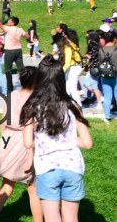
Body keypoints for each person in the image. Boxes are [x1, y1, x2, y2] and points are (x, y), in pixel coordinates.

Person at [21, 55, 92, 222]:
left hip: (47, 167)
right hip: (73, 165)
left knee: (52, 218)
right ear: (61, 78)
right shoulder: (73, 105)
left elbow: (27, 142)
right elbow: (87, 143)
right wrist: (68, 142)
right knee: (71, 218)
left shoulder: (32, 106)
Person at [0, 67, 42, 222]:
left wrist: (3, 141)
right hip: (26, 140)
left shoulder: (11, 95)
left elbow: (3, 121)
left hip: (8, 138)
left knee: (7, 183)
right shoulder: (35, 100)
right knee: (32, 187)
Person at [0, 8, 27, 94]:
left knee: (8, 70)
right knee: (21, 70)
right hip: (18, 50)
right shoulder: (20, 29)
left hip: (9, 51)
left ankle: (9, 90)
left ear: (12, 23)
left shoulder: (9, 29)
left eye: (9, 20)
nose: (8, 21)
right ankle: (25, 86)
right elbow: (27, 36)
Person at [57, 29, 82, 104]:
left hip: (73, 68)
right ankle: (67, 104)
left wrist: (59, 73)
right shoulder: (72, 44)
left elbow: (67, 63)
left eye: (64, 34)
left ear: (67, 36)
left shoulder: (68, 47)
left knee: (72, 88)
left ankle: (78, 105)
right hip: (74, 67)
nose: (62, 35)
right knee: (67, 88)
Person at [96, 31, 117, 122]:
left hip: (104, 75)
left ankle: (107, 116)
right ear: (114, 39)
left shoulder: (101, 49)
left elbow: (100, 62)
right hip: (116, 74)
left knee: (107, 96)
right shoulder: (116, 49)